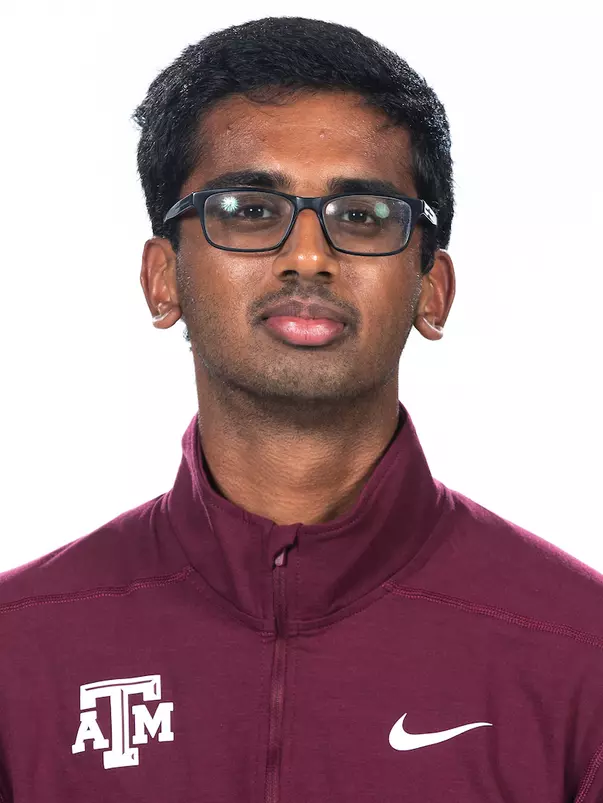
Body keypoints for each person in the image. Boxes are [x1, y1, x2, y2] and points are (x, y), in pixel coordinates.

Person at [1, 15, 602, 803]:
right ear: (162, 279)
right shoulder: (20, 648)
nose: (308, 254)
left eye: (362, 217)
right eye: (249, 209)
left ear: (431, 289)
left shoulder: (578, 651)